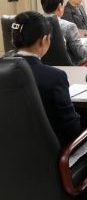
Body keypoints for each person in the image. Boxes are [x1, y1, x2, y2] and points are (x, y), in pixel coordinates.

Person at [10, 11, 81, 145]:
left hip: (8, 152)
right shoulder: (54, 77)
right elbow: (72, 128)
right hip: (54, 152)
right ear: (44, 40)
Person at [41, 0, 87, 65]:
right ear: (59, 7)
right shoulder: (69, 26)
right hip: (71, 68)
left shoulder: (35, 23)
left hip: (45, 68)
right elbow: (81, 54)